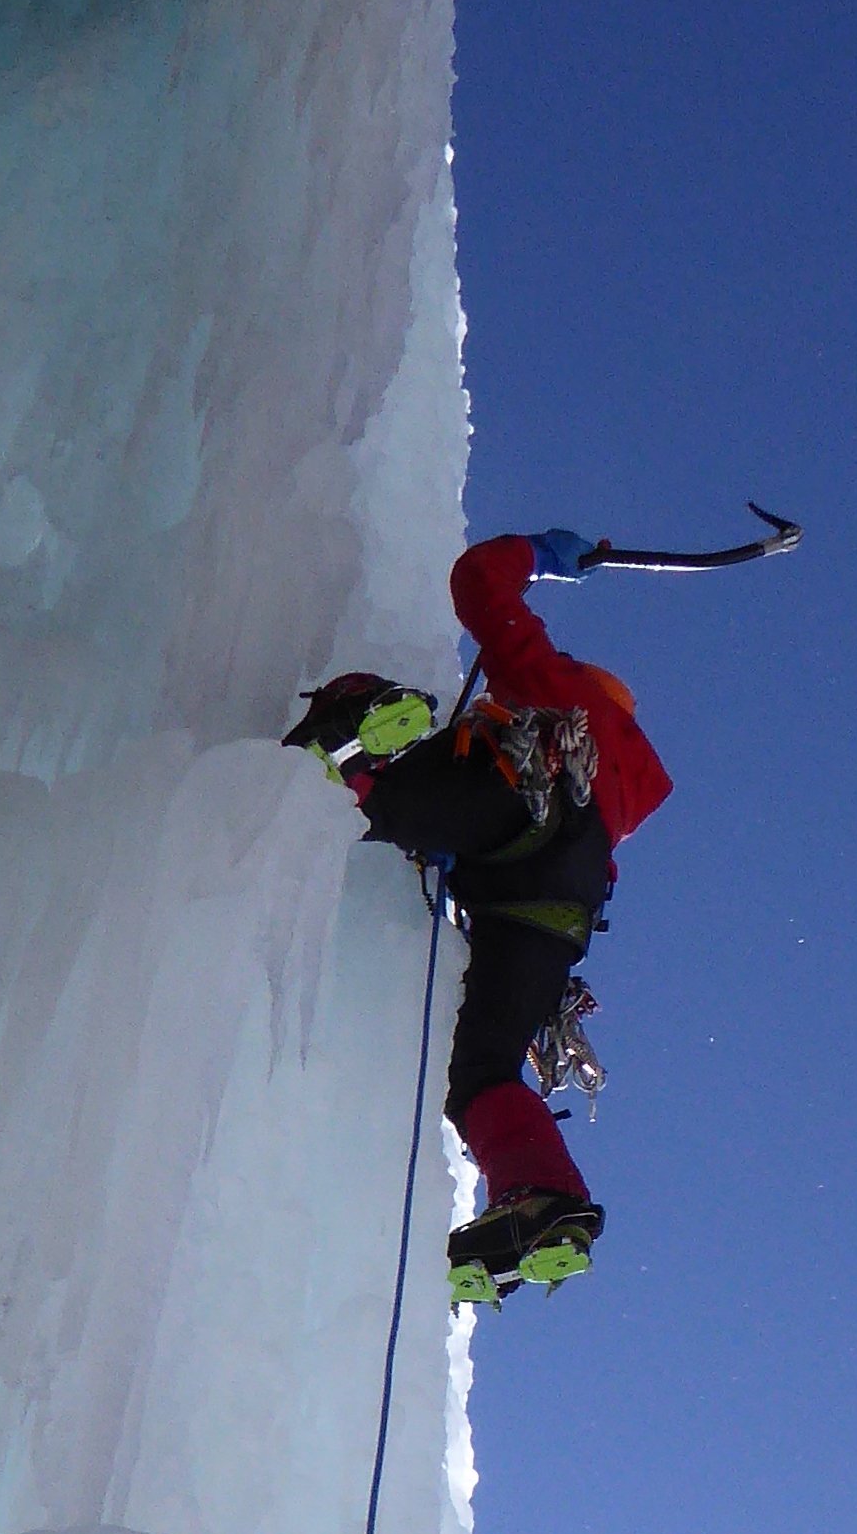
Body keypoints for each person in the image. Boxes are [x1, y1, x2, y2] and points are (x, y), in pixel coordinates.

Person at [286, 526, 673, 1305]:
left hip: (518, 793)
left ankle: (357, 735)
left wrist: (542, 555)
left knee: (379, 799)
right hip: (557, 901)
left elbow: (476, 582)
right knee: (481, 1075)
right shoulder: (630, 796)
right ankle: (542, 1203)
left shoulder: (554, 685)